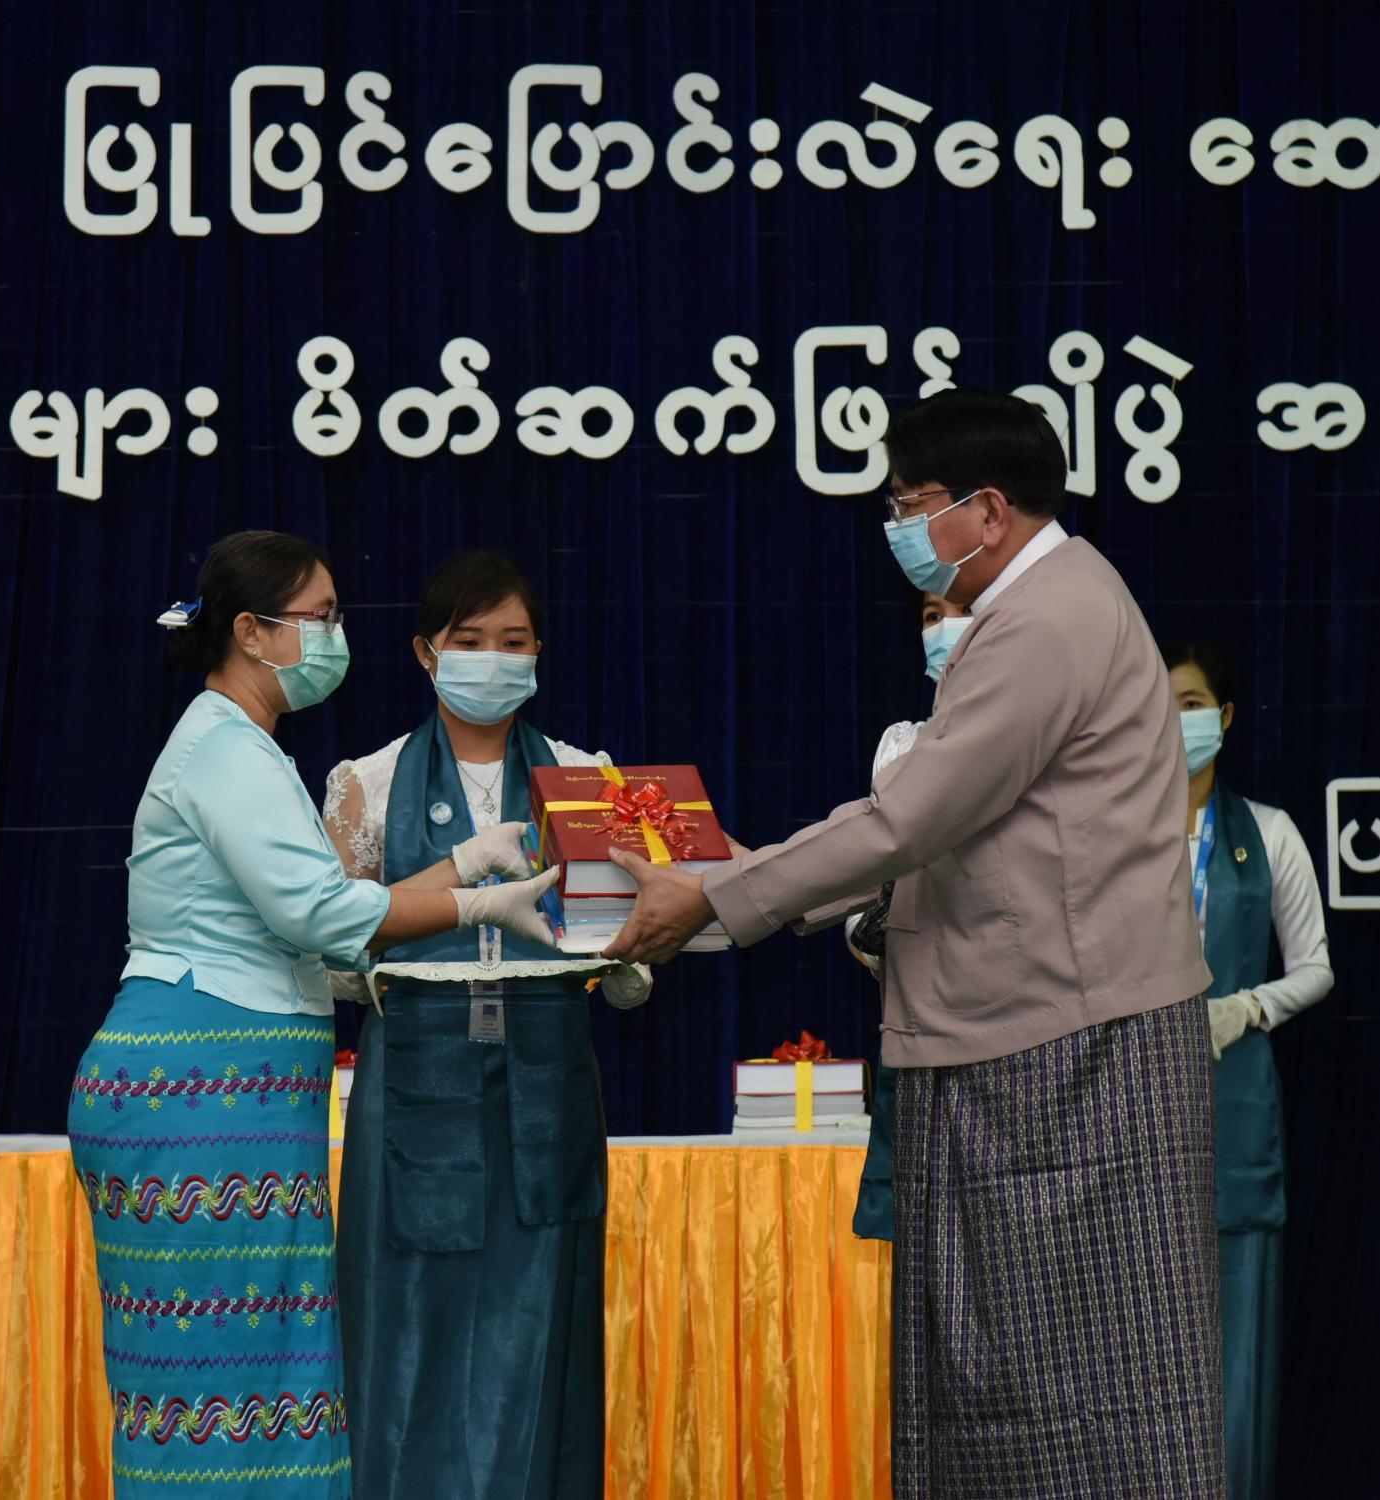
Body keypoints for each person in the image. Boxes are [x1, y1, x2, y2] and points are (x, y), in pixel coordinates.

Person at [606, 389, 1226, 1498]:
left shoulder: (1043, 622)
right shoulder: (1047, 606)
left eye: (910, 504)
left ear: (986, 510)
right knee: (1008, 1386)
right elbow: (942, 832)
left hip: (1069, 1052)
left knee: (1087, 1383)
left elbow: (909, 822)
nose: (895, 528)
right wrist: (744, 876)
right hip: (1031, 1034)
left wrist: (717, 895)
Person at [67, 532, 557, 1499]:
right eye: (320, 617)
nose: (336, 636)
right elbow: (324, 918)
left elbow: (321, 911)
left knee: (261, 1378)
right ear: (251, 632)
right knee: (217, 1390)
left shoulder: (243, 745)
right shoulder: (225, 749)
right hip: (198, 1091)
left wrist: (462, 862)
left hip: (229, 1095)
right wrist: (472, 900)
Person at [324, 550, 650, 1500]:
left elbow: (625, 924)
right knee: (404, 1326)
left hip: (545, 1082)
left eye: (514, 642)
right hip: (412, 1083)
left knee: (538, 1325)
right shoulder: (367, 781)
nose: (493, 660)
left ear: (539, 653)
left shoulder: (588, 778)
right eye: (469, 641)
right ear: (426, 653)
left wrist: (629, 957)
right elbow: (330, 953)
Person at [1164, 639, 1333, 1500]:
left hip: (1231, 1106)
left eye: (1190, 704)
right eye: (1159, 705)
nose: (1174, 721)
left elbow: (1315, 967)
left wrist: (1245, 1008)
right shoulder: (1110, 836)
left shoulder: (1267, 832)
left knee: (1235, 1340)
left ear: (1223, 718)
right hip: (1128, 1106)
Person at [847, 589, 972, 1243]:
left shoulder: (1041, 741)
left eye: (962, 610)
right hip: (917, 1032)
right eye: (931, 615)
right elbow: (863, 871)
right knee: (922, 1256)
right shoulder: (900, 747)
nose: (946, 627)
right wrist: (867, 929)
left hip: (1012, 1041)